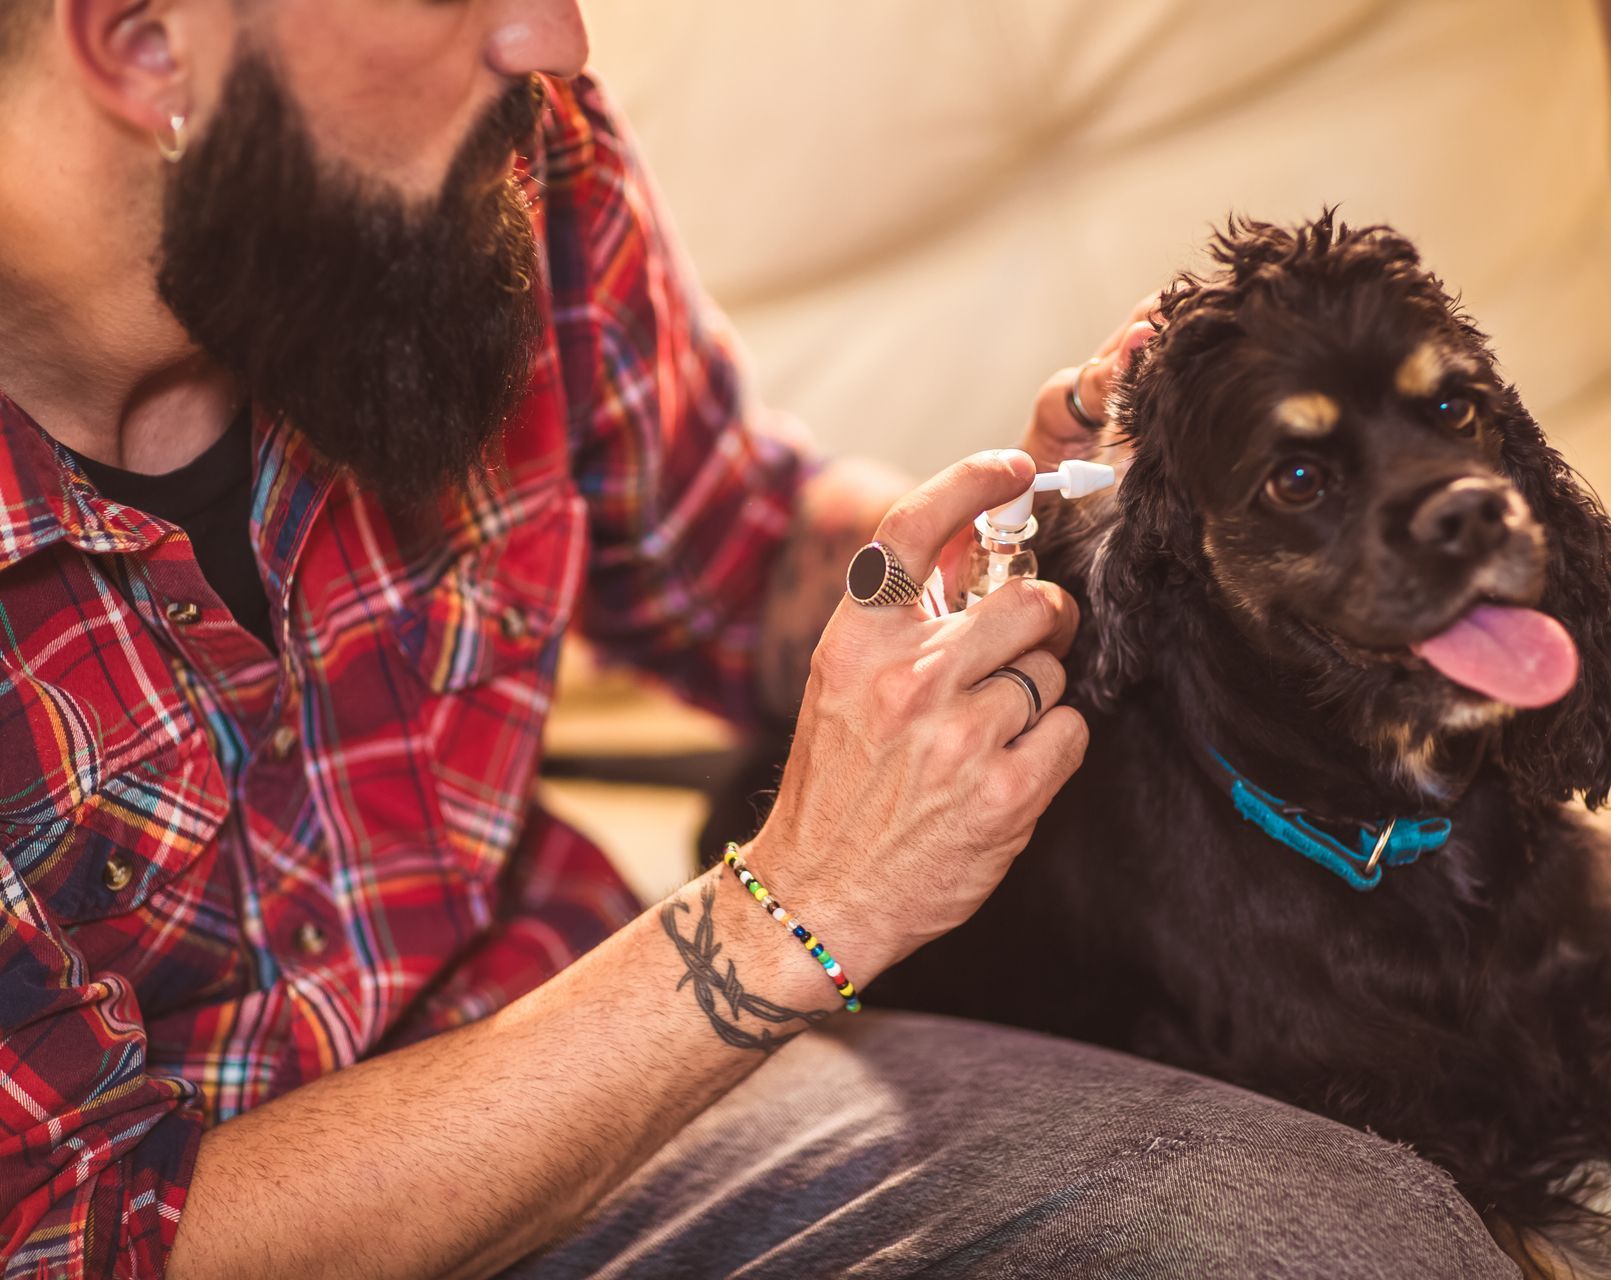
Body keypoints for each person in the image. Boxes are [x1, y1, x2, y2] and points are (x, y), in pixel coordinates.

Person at [0, 1, 1521, 1276]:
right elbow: (83, 1235)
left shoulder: (499, 163)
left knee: (1333, 1243)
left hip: (603, 1076)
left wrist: (1052, 545)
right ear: (140, 44)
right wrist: (791, 912)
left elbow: (740, 556)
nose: (552, 34)